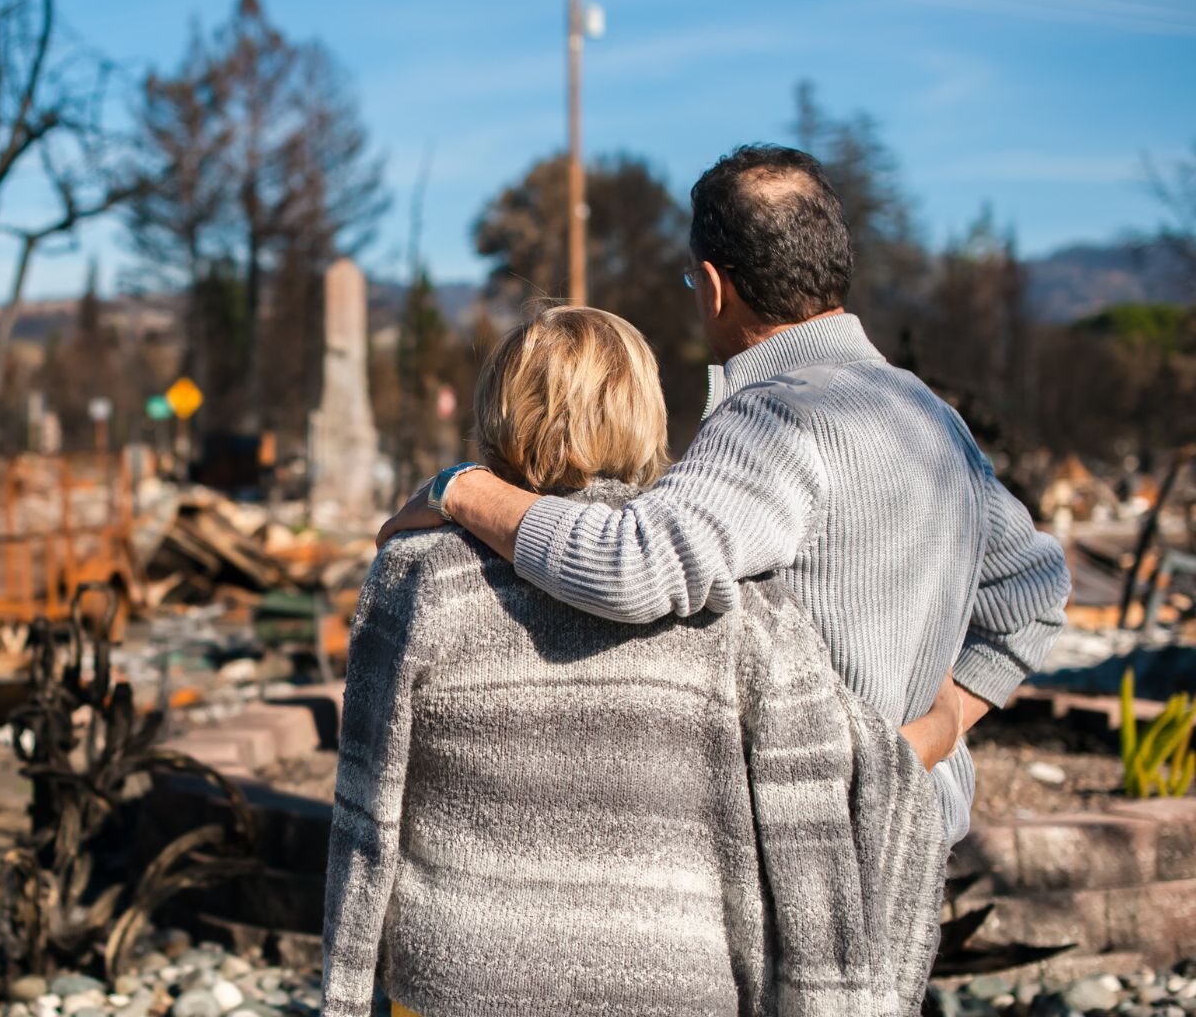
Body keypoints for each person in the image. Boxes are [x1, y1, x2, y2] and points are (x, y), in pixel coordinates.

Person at [379, 144, 1071, 846]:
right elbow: (1035, 592)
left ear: (713, 286)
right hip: (919, 837)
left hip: (816, 852)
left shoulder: (778, 416)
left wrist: (460, 489)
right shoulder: (930, 417)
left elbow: (631, 564)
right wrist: (941, 724)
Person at [324, 305, 946, 1017]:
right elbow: (813, 809)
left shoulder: (416, 577)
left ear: (496, 411)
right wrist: (944, 722)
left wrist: (346, 992)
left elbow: (366, 811)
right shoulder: (739, 604)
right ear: (645, 414)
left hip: (459, 983)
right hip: (681, 984)